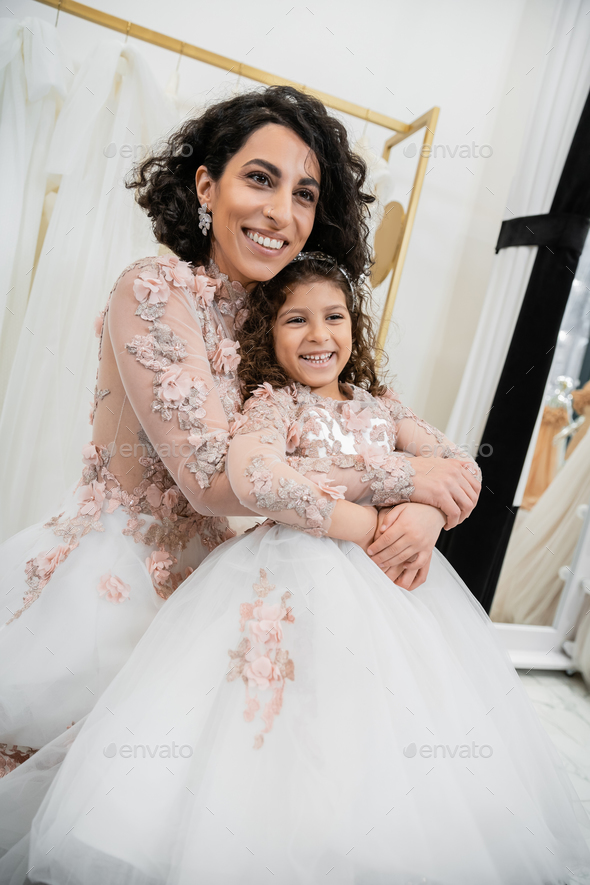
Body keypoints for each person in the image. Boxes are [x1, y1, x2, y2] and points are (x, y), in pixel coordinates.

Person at [7, 254, 589, 885]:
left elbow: (461, 469)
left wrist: (426, 517)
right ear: (269, 334)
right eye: (296, 320)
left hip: (392, 588)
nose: (318, 335)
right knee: (271, 714)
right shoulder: (273, 404)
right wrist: (385, 497)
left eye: (334, 316)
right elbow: (256, 477)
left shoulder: (385, 408)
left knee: (373, 716)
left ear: (354, 325)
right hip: (285, 575)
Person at [0, 86, 480, 771]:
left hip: (230, 587)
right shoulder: (155, 290)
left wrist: (428, 510)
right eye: (261, 178)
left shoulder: (291, 319)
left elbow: (408, 433)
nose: (282, 212)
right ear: (206, 183)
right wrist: (398, 491)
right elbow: (213, 481)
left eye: (306, 194)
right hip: (120, 589)